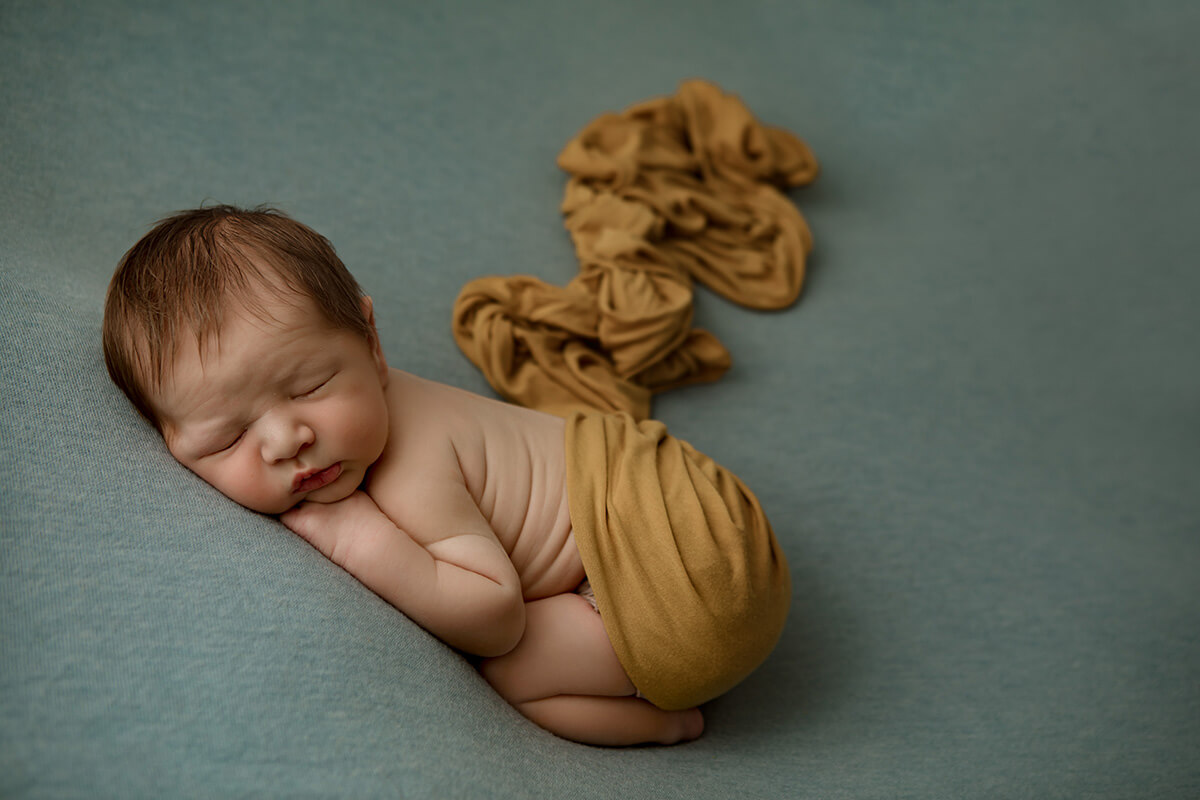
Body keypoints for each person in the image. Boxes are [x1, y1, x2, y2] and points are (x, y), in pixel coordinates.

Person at [102, 205, 790, 747]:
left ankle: (667, 724)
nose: (287, 440)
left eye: (311, 385)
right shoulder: (366, 408)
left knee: (513, 670)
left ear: (372, 342)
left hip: (693, 581)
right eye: (228, 437)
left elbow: (493, 615)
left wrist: (355, 540)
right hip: (696, 508)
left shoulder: (412, 466)